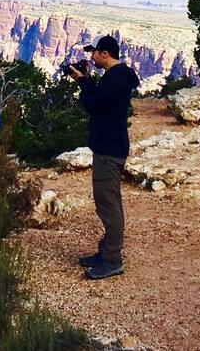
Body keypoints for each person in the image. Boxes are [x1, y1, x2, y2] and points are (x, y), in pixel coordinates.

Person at [67, 35, 139, 280]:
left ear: (105, 54)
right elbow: (100, 101)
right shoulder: (116, 77)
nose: (92, 57)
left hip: (110, 149)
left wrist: (83, 82)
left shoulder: (117, 77)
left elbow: (95, 105)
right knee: (107, 200)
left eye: (95, 53)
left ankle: (112, 259)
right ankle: (106, 251)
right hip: (109, 147)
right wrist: (85, 81)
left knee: (108, 203)